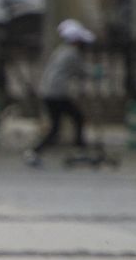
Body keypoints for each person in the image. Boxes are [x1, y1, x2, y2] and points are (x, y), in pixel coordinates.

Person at [25, 19, 94, 167]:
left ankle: (36, 151)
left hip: (50, 92)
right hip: (56, 94)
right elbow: (82, 71)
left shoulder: (61, 50)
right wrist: (98, 73)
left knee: (65, 123)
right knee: (74, 119)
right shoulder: (71, 54)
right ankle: (78, 150)